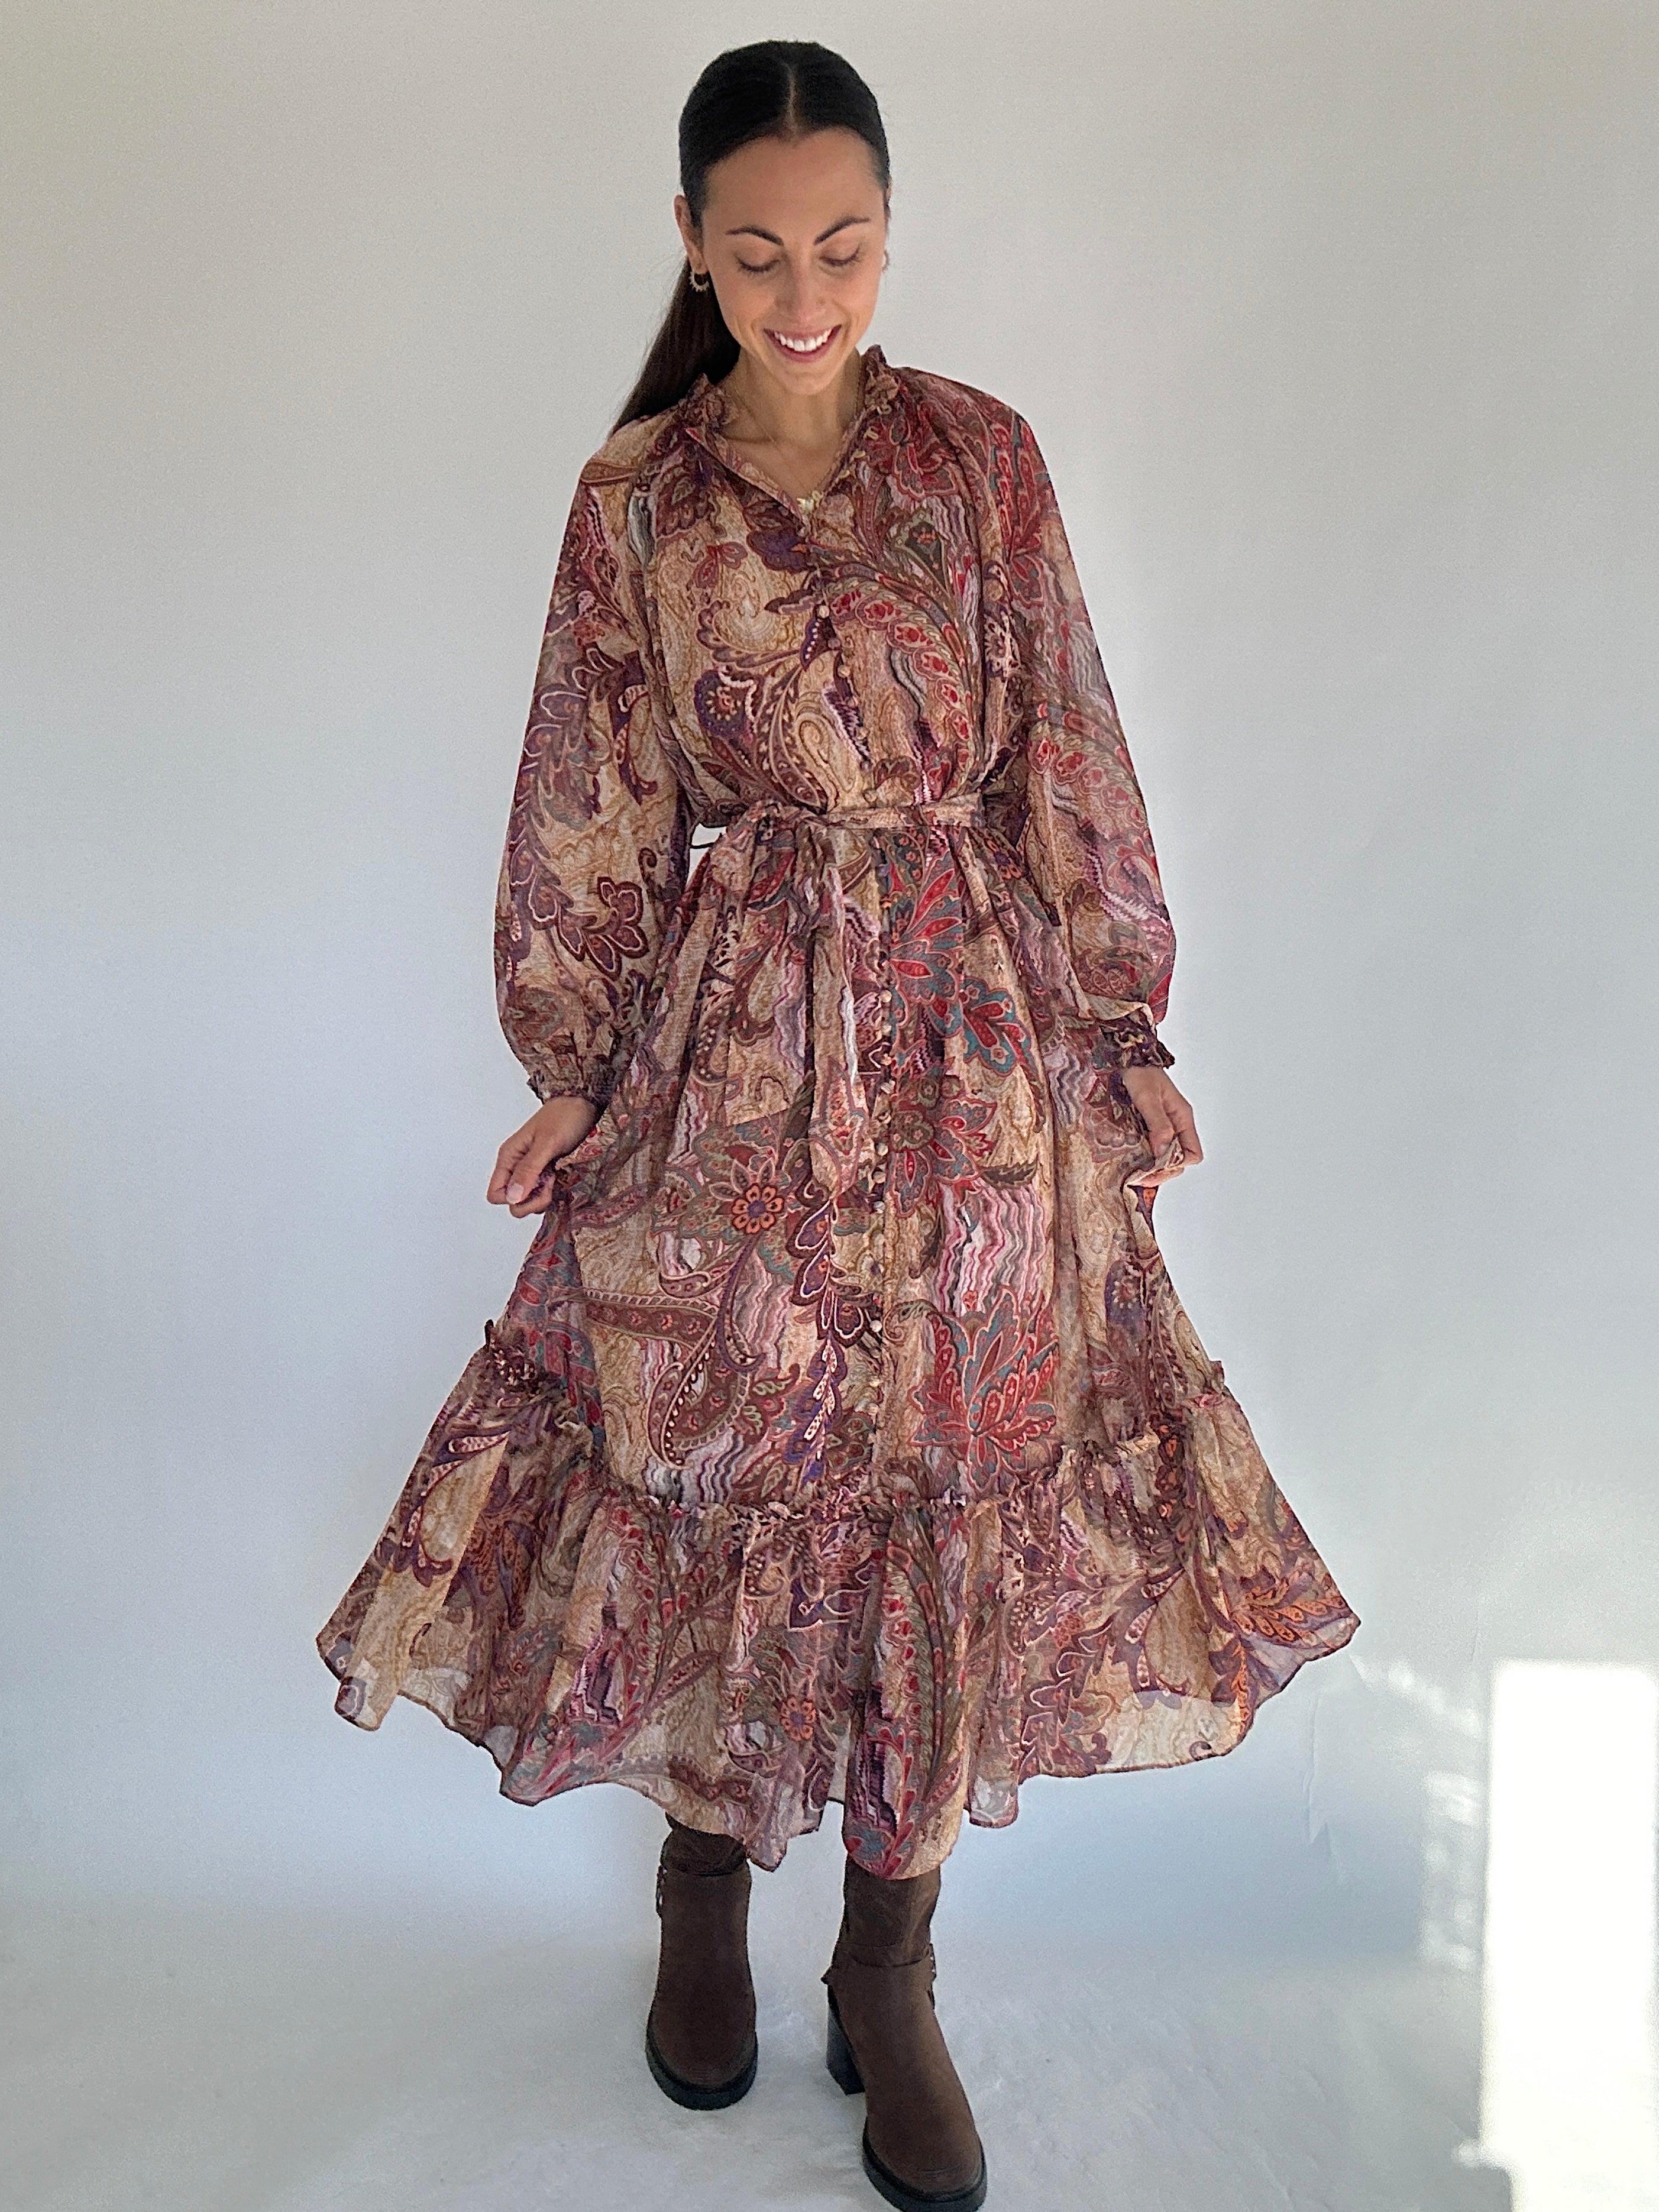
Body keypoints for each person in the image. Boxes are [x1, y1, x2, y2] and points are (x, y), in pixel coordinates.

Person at [317, 38, 1360, 2212]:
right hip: (737, 1057)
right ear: (691, 246)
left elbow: (1063, 733)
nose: (811, 289)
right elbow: (588, 797)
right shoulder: (637, 503)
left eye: (850, 244)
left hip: (974, 1055)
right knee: (719, 1451)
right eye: (764, 248)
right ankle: (709, 1886)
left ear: (892, 235)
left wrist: (1120, 1021)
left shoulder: (985, 460)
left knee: (937, 1478)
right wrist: (575, 1064)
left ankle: (890, 1970)